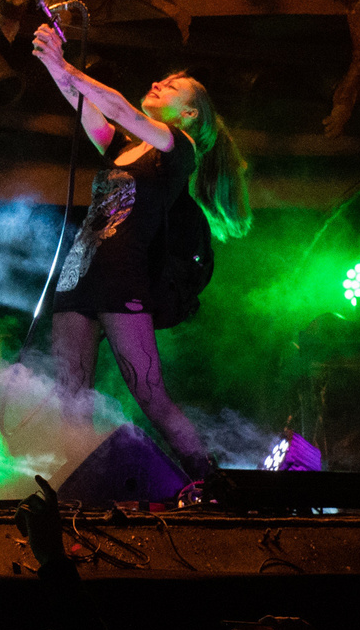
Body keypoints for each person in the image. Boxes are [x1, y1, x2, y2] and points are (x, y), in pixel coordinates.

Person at [29, 26, 253, 483]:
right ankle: (79, 491)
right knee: (71, 395)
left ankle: (211, 484)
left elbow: (119, 107)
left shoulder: (179, 148)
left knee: (149, 391)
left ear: (189, 113)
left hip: (122, 276)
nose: (158, 83)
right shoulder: (123, 146)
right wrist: (54, 65)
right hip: (78, 274)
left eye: (172, 86)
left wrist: (69, 68)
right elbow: (85, 107)